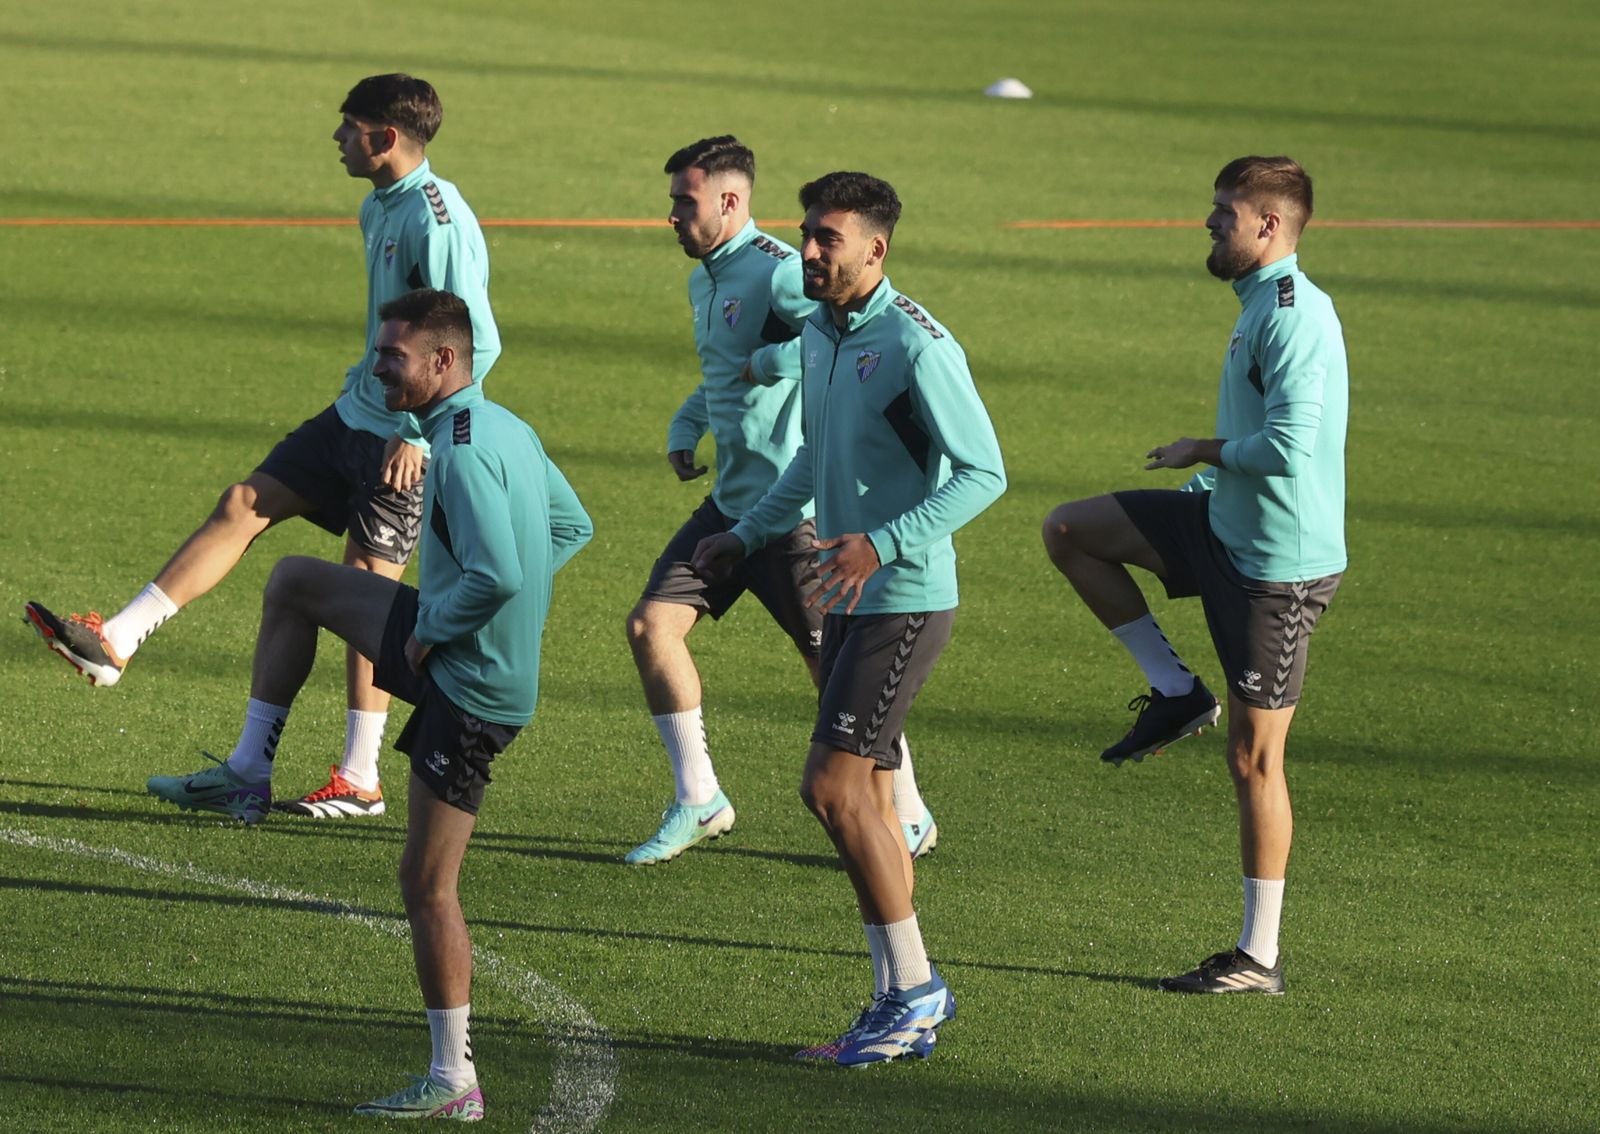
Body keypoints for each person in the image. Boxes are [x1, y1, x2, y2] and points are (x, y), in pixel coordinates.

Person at [149, 290, 592, 1119]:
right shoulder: (505, 428)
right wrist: (486, 613)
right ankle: (249, 768)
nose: (378, 366)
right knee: (295, 580)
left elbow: (498, 574)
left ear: (443, 362)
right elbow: (571, 527)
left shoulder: (456, 452)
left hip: (470, 686)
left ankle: (453, 1080)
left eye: (393, 356)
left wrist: (444, 629)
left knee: (427, 885)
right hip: (471, 649)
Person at [25, 73, 500, 820]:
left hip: (402, 441)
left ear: (383, 137)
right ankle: (117, 642)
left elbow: (476, 343)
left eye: (348, 127)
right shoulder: (382, 203)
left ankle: (360, 775)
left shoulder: (436, 222)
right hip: (355, 412)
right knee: (245, 502)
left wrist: (417, 437)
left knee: (361, 598)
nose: (336, 138)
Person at [694, 172, 1005, 1064]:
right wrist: (747, 533)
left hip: (902, 600)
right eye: (807, 235)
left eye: (830, 239)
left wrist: (885, 543)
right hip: (849, 594)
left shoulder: (913, 344)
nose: (811, 252)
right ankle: (896, 997)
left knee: (829, 788)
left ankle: (916, 991)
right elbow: (815, 458)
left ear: (877, 249)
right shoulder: (823, 335)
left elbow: (984, 473)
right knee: (863, 795)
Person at [1041, 155, 1348, 995]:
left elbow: (1290, 448)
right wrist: (1205, 480)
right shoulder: (1258, 304)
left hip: (1274, 573)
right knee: (1070, 529)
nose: (1209, 224)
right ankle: (1176, 691)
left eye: (1225, 213)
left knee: (1255, 761)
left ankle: (1257, 958)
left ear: (1271, 226)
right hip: (1221, 519)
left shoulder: (1292, 318)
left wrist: (1203, 451)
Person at [624, 137, 937, 865]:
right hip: (733, 505)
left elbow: (840, 338)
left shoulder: (779, 275)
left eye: (684, 201)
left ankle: (910, 813)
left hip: (796, 516)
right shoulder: (707, 278)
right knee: (651, 627)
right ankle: (699, 797)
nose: (672, 215)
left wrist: (772, 358)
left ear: (730, 202)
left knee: (838, 676)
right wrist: (689, 420)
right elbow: (722, 369)